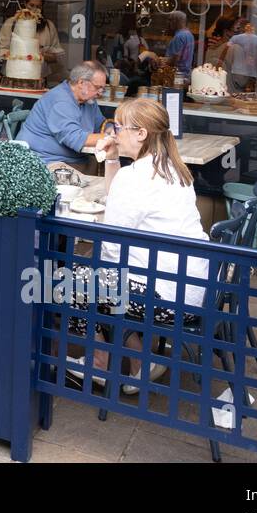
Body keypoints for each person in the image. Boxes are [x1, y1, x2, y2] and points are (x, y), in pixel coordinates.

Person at [91, 97, 210, 386]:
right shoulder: (173, 167)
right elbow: (117, 199)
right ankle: (140, 361)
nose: (113, 133)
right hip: (193, 288)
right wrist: (112, 158)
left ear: (141, 133)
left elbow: (111, 244)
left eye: (118, 127)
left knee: (62, 281)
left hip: (164, 297)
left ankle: (99, 362)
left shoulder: (135, 177)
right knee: (100, 280)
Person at [20, 60, 108, 166]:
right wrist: (115, 138)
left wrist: (112, 129)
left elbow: (102, 124)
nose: (100, 93)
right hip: (44, 163)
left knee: (111, 170)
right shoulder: (60, 101)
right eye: (97, 87)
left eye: (102, 89)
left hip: (74, 160)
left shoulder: (88, 100)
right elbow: (75, 138)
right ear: (81, 83)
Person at [0, 0, 65, 81]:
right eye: (31, 5)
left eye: (38, 6)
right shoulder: (11, 23)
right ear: (25, 4)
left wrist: (42, 55)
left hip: (39, 76)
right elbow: (1, 49)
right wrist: (16, 54)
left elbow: (56, 55)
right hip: (12, 75)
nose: (34, 9)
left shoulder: (49, 26)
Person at [219, 18, 257, 93]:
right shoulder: (237, 48)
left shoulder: (224, 46)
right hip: (232, 92)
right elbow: (240, 80)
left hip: (222, 90)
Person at [163, 11, 194, 82]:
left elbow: (175, 58)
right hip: (185, 75)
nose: (169, 23)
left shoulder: (179, 37)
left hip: (176, 76)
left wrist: (162, 61)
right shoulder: (189, 34)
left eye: (170, 20)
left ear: (176, 21)